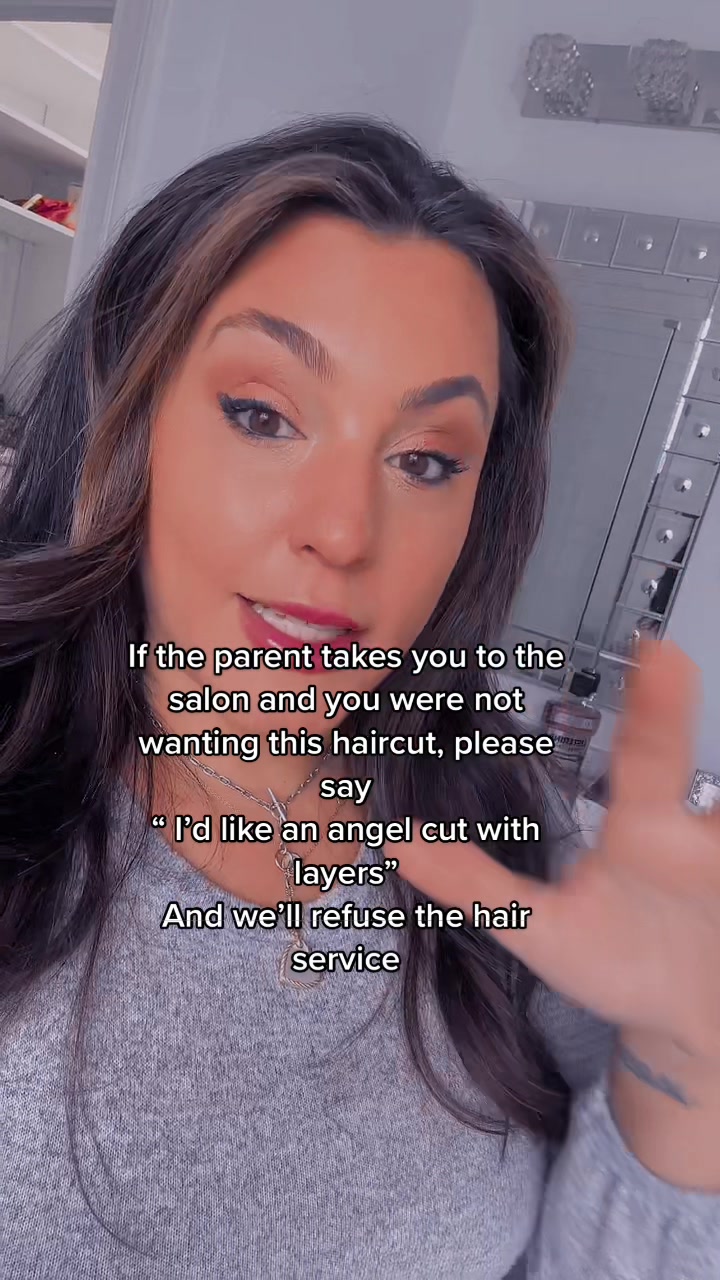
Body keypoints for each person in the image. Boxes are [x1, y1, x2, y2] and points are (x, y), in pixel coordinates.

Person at [0, 116, 718, 1280]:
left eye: (426, 460)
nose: (343, 531)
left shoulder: (507, 834)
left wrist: (687, 1075)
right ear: (125, 417)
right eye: (262, 414)